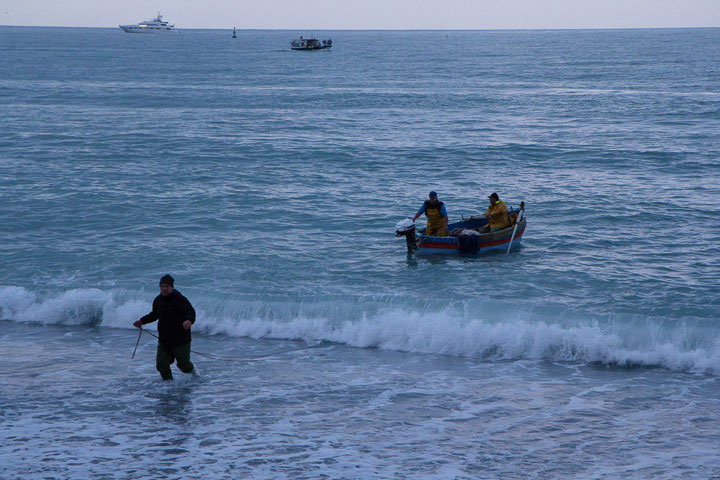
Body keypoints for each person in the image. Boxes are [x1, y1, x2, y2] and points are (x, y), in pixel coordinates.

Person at [133, 274, 196, 381]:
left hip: (181, 339)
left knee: (183, 366)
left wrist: (188, 321)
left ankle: (195, 375)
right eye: (162, 286)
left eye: (167, 286)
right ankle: (169, 384)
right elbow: (154, 314)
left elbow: (190, 311)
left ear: (172, 287)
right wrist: (142, 321)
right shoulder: (158, 300)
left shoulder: (180, 300)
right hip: (164, 339)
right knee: (161, 365)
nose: (164, 288)